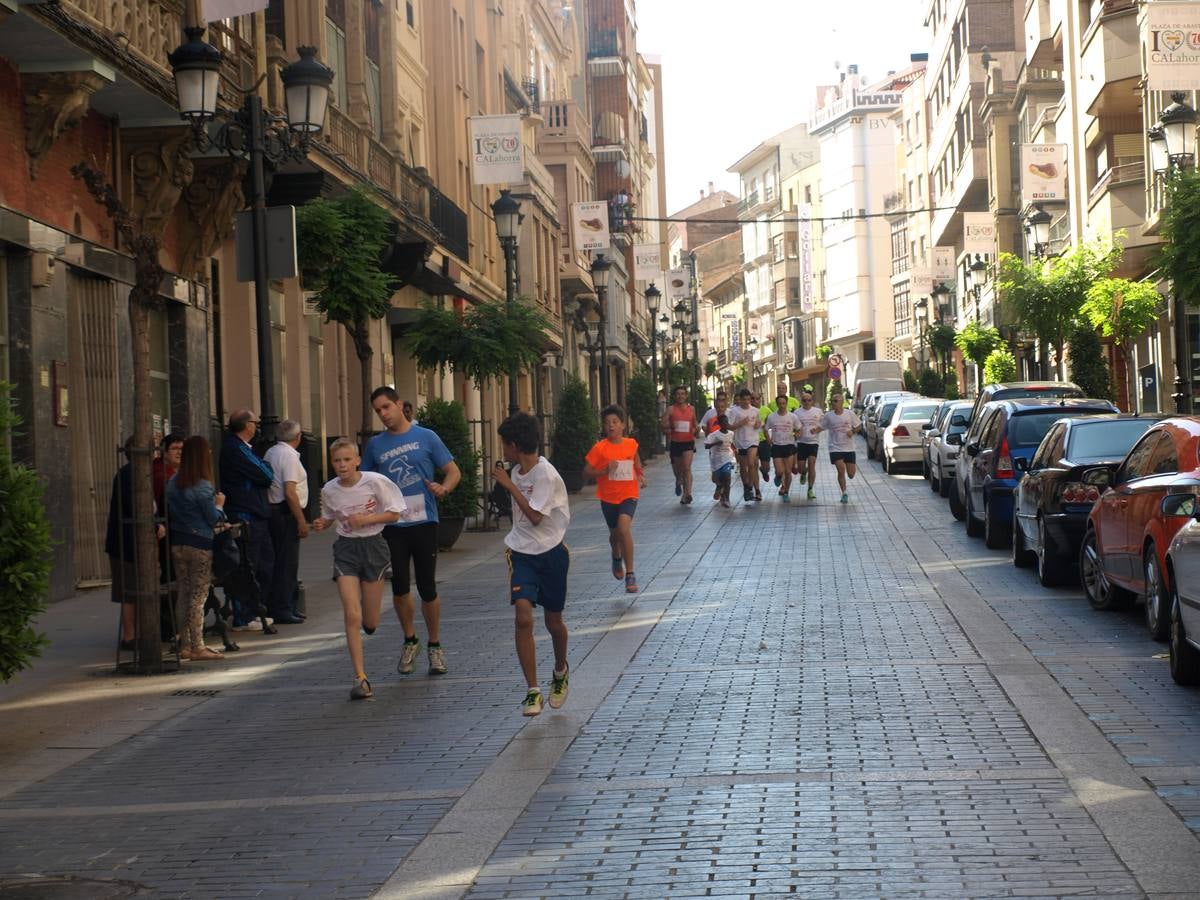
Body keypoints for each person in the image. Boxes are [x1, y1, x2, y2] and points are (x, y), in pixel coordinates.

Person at [363, 387, 462, 676]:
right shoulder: (375, 446)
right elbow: (365, 482)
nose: (383, 414)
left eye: (386, 407)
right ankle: (410, 639)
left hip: (424, 520)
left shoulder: (426, 437)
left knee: (427, 585)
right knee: (400, 585)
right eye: (378, 410)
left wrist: (444, 487)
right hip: (393, 524)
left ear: (399, 405)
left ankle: (434, 645)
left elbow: (453, 471)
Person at [312, 437, 406, 701]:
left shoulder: (375, 481)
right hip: (346, 549)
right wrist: (322, 522)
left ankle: (369, 624)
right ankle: (361, 678)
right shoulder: (329, 489)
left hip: (374, 546)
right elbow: (331, 515)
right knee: (351, 614)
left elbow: (395, 514)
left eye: (346, 460)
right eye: (336, 461)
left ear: (357, 461)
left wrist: (366, 519)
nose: (341, 465)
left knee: (370, 621)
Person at [491, 413, 572, 717]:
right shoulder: (515, 471)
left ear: (514, 445)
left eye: (504, 444)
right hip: (520, 552)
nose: (503, 450)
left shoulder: (545, 475)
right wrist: (508, 483)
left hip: (551, 552)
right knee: (523, 616)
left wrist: (508, 486)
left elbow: (536, 517)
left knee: (554, 623)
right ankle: (532, 690)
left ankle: (561, 669)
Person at [166, 436, 227, 661]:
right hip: (200, 544)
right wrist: (220, 506)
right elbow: (212, 518)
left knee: (183, 592)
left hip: (178, 543)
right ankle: (198, 646)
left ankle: (184, 643)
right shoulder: (202, 486)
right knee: (198, 595)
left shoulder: (173, 482)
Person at [219, 410, 275, 632]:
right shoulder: (237, 449)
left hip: (254, 513)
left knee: (263, 564)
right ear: (247, 426)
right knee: (248, 565)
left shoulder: (242, 448)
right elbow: (266, 474)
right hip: (246, 514)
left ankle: (253, 609)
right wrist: (265, 468)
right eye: (255, 422)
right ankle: (245, 614)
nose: (257, 426)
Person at [584, 404, 645, 593]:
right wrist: (603, 471)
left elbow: (635, 461)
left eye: (614, 422)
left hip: (629, 493)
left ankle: (631, 573)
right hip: (608, 497)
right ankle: (616, 555)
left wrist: (640, 475)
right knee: (614, 535)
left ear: (622, 425)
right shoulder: (600, 448)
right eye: (607, 423)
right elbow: (586, 472)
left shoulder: (631, 443)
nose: (610, 426)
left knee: (624, 528)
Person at [264, 420, 309, 624]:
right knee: (287, 562)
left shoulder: (272, 452)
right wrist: (301, 520)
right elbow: (290, 491)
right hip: (285, 512)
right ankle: (284, 607)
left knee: (280, 561)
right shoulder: (289, 456)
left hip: (274, 511)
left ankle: (283, 605)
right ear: (298, 437)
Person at [105, 436, 138, 650]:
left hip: (129, 542)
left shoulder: (132, 473)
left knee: (133, 591)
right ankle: (129, 636)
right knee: (129, 592)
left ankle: (134, 634)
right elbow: (133, 507)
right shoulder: (128, 475)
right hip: (125, 543)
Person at [814, 391, 862, 504]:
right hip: (834, 447)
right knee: (841, 469)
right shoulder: (828, 416)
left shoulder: (849, 414)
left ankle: (846, 484)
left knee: (851, 474)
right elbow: (822, 427)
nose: (833, 403)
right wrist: (814, 431)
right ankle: (844, 493)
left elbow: (859, 426)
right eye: (832, 401)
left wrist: (853, 431)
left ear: (841, 402)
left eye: (836, 401)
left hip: (849, 448)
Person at [661, 386, 698, 505]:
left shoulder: (691, 408)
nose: (680, 396)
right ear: (675, 396)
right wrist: (669, 429)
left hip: (688, 442)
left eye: (683, 394)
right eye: (678, 394)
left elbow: (694, 423)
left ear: (686, 395)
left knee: (687, 468)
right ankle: (678, 480)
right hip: (676, 442)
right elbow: (663, 424)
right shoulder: (670, 409)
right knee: (678, 471)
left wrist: (695, 429)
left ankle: (687, 494)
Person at [766, 394, 799, 501]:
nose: (782, 405)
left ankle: (786, 491)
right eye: (780, 403)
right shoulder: (772, 417)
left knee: (788, 471)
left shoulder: (792, 416)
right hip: (777, 446)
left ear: (786, 404)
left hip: (789, 445)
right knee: (780, 471)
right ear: (777, 404)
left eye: (784, 403)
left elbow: (799, 428)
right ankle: (778, 477)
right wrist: (768, 439)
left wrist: (797, 434)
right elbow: (765, 429)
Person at [793, 391, 823, 501]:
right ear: (801, 402)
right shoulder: (796, 412)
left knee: (812, 465)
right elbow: (794, 427)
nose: (807, 402)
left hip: (813, 442)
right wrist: (796, 433)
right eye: (804, 400)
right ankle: (803, 473)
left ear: (812, 401)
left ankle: (810, 489)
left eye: (809, 400)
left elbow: (824, 424)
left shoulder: (818, 411)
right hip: (801, 443)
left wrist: (818, 429)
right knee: (801, 468)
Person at [705, 413, 736, 508]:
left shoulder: (731, 433)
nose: (725, 424)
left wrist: (735, 450)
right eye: (723, 422)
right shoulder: (713, 435)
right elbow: (706, 446)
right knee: (716, 479)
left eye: (726, 422)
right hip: (716, 460)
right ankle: (719, 486)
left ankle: (727, 499)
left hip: (727, 458)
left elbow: (731, 444)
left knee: (727, 477)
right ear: (719, 423)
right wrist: (716, 443)